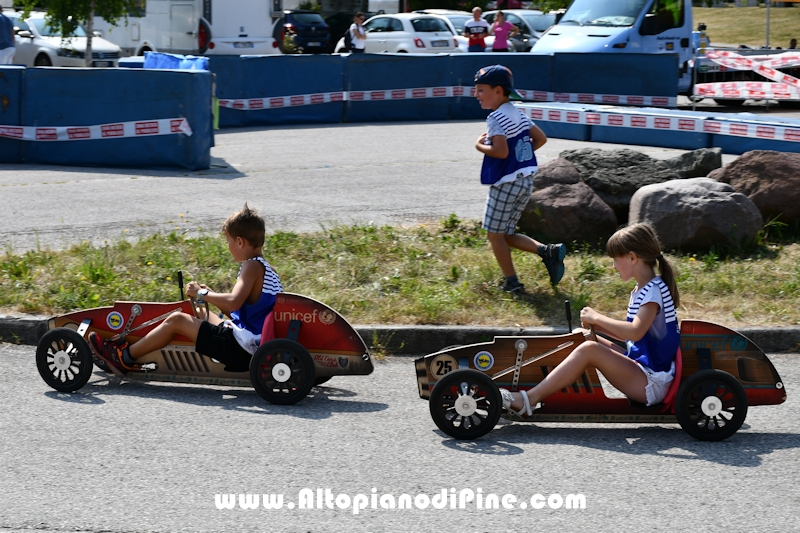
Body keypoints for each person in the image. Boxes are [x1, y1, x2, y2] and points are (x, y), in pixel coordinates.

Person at [500, 223, 681, 417]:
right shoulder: (646, 288)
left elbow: (635, 332)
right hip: (643, 369)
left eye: (615, 259)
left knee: (589, 349)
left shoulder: (653, 292)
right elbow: (637, 335)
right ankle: (542, 390)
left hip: (652, 382)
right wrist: (597, 327)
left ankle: (528, 400)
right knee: (582, 337)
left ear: (632, 257)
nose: (613, 266)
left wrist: (597, 317)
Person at [89, 203, 283, 376]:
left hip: (242, 348)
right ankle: (130, 350)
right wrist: (209, 297)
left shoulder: (251, 266)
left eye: (229, 241)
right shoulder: (268, 269)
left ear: (240, 242)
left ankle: (124, 357)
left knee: (177, 319)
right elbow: (241, 312)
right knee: (195, 312)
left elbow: (233, 302)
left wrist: (202, 294)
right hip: (250, 342)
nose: (228, 246)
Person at [473, 65, 566, 293]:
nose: (476, 94)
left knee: (494, 235)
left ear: (498, 91)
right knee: (506, 233)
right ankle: (548, 252)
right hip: (524, 181)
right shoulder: (516, 112)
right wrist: (520, 158)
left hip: (506, 183)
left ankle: (512, 283)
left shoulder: (496, 117)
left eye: (480, 89)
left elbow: (501, 151)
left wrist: (478, 145)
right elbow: (540, 138)